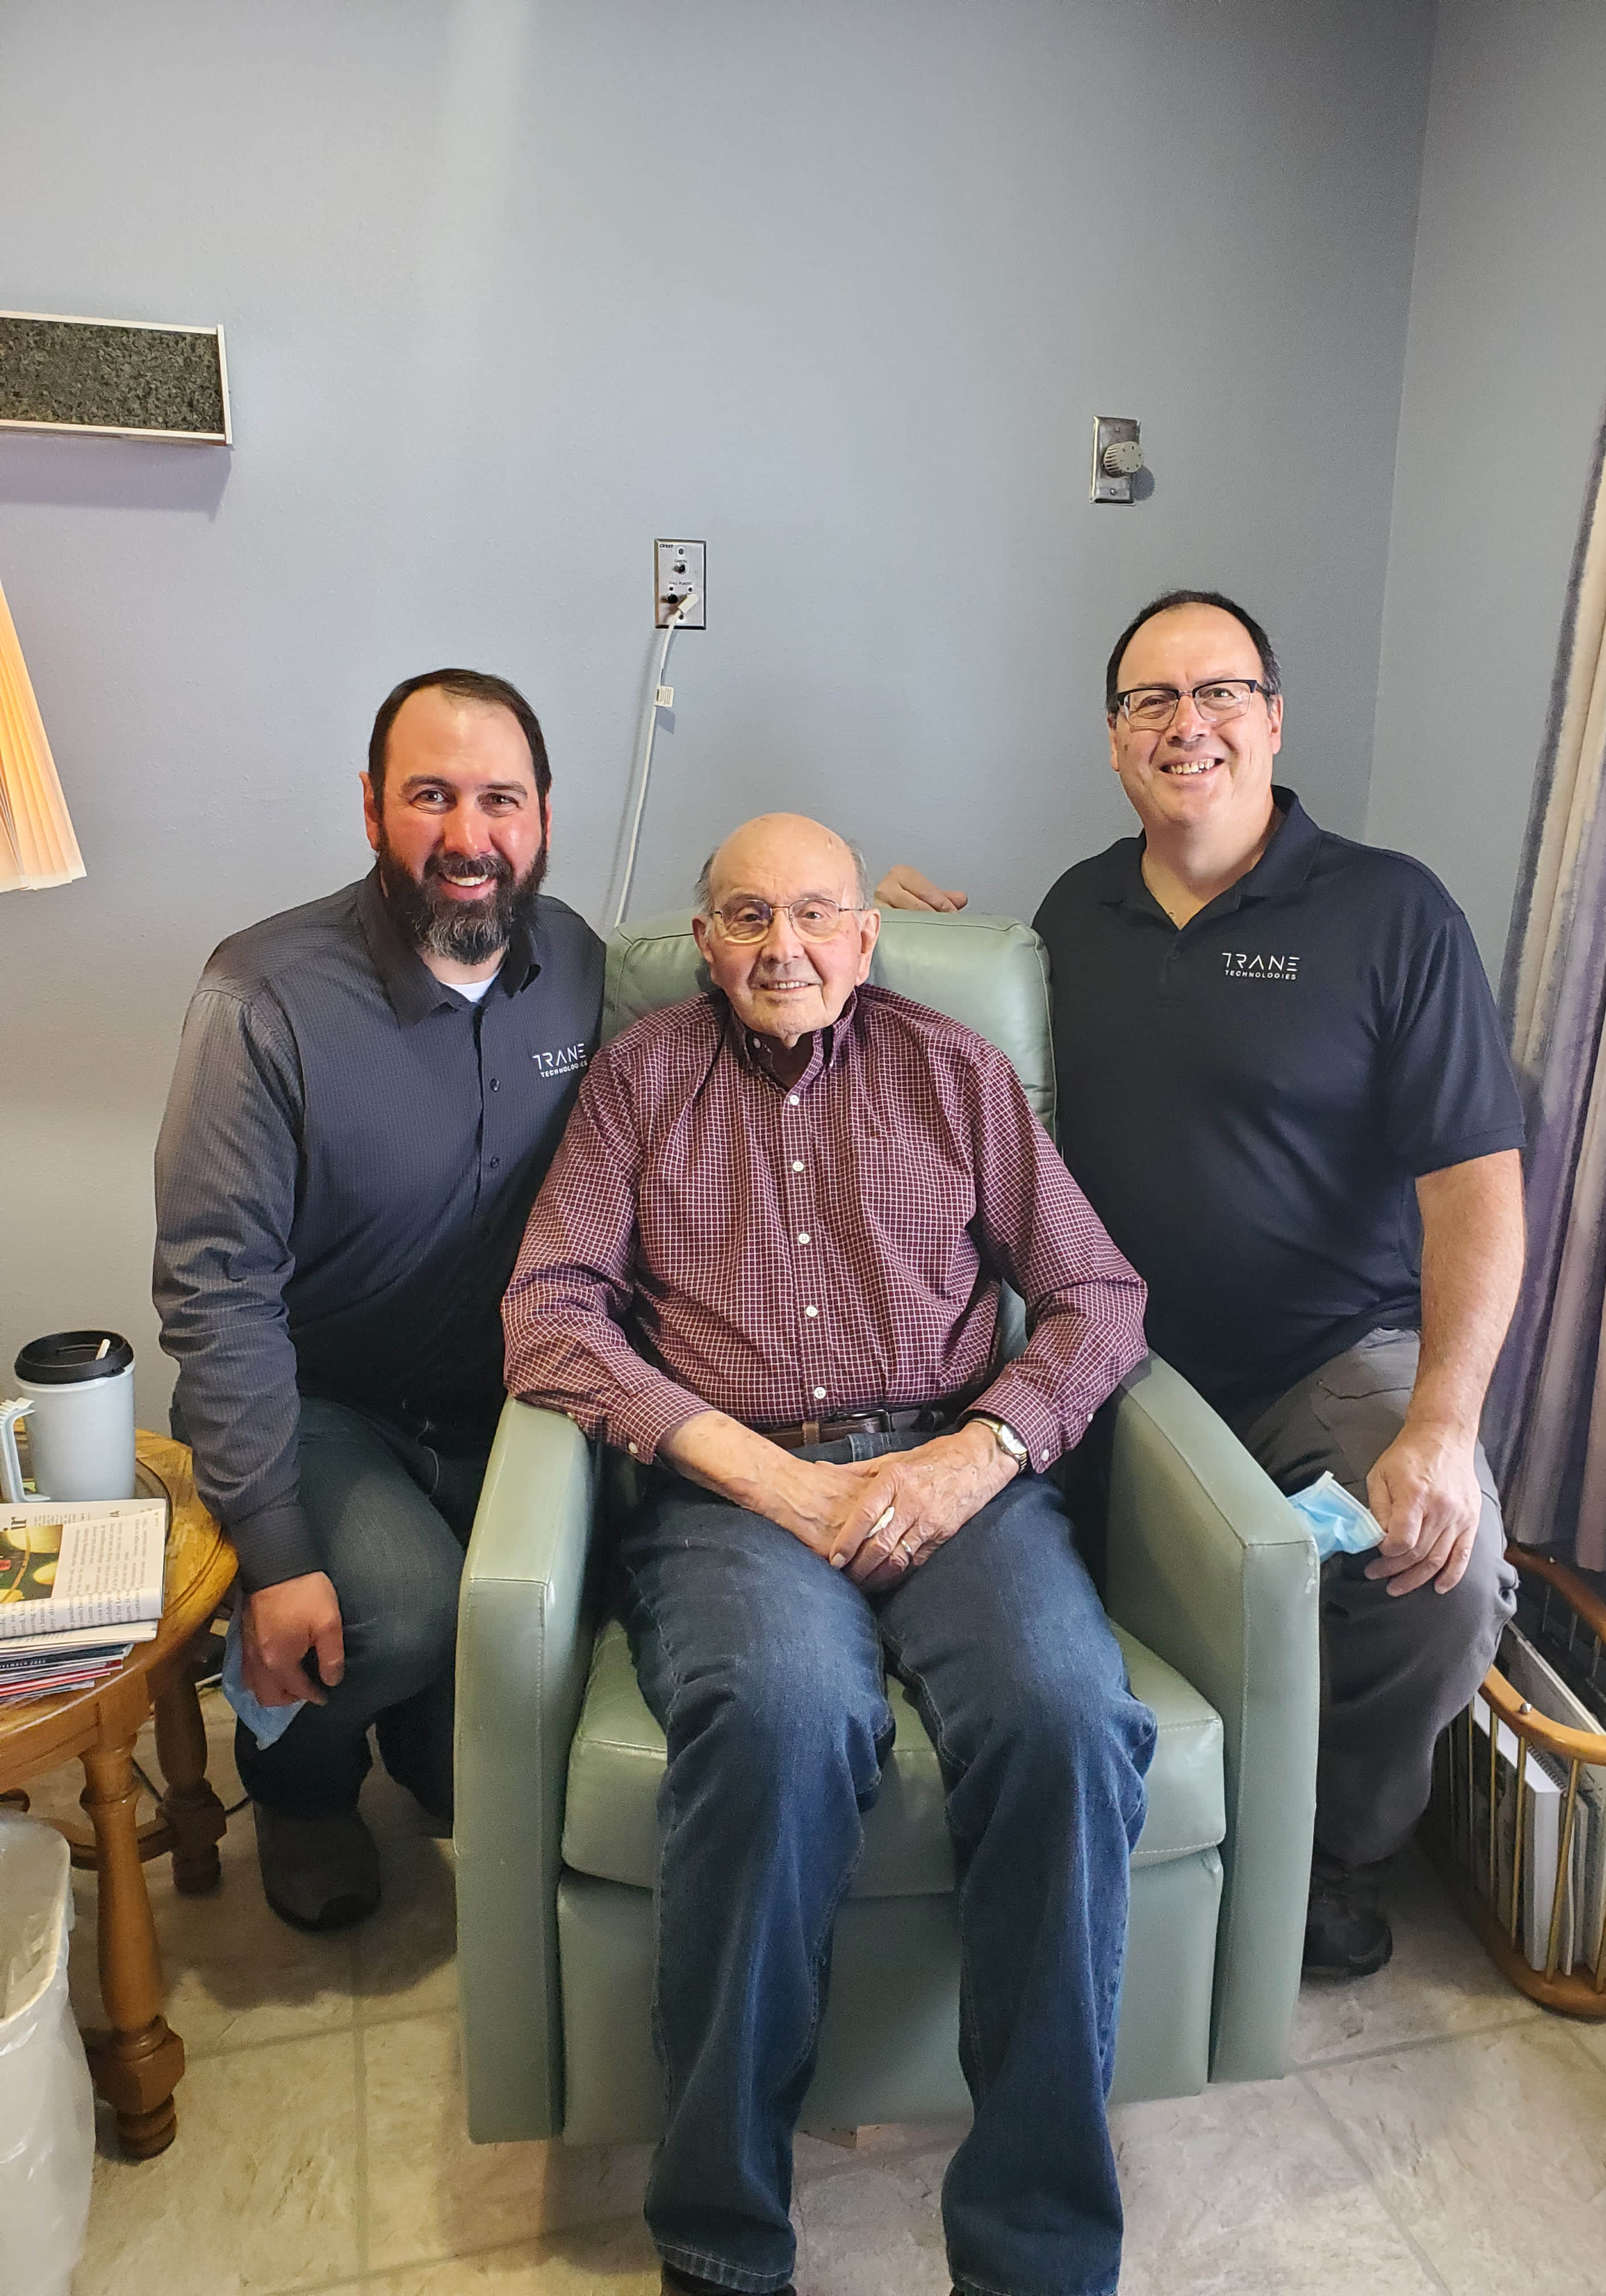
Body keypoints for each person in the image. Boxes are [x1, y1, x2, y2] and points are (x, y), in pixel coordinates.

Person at [503, 812, 1155, 2296]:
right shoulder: (639, 1080)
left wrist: (979, 1447)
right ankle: (723, 2248)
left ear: (867, 937)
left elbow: (1095, 1299)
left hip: (948, 1467)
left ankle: (1037, 2255)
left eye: (814, 916)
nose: (781, 948)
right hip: (736, 1494)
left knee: (1068, 1720)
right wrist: (762, 1477)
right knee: (787, 1721)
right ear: (705, 938)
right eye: (746, 917)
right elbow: (548, 1314)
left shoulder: (957, 1072)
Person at [878, 589, 1525, 1978]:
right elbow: (989, 1082)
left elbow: (1478, 1187)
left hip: (1323, 1357)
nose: (1189, 726)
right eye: (1151, 702)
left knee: (1445, 1583)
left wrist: (1443, 1426)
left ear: (1275, 720)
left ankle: (1318, 1855)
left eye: (1220, 693)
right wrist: (893, 954)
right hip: (1114, 1366)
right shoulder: (1075, 910)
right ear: (1115, 742)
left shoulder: (1390, 911)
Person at [154, 668, 603, 1932]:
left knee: (493, 1725)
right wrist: (277, 1544)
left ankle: (419, 1737)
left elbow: (757, 964)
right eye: (430, 796)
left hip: (513, 1401)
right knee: (385, 1614)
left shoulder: (579, 966)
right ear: (369, 809)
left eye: (500, 800)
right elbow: (212, 1285)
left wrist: (872, 909)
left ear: (546, 818)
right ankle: (295, 1784)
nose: (469, 837)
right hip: (329, 1401)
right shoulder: (261, 997)